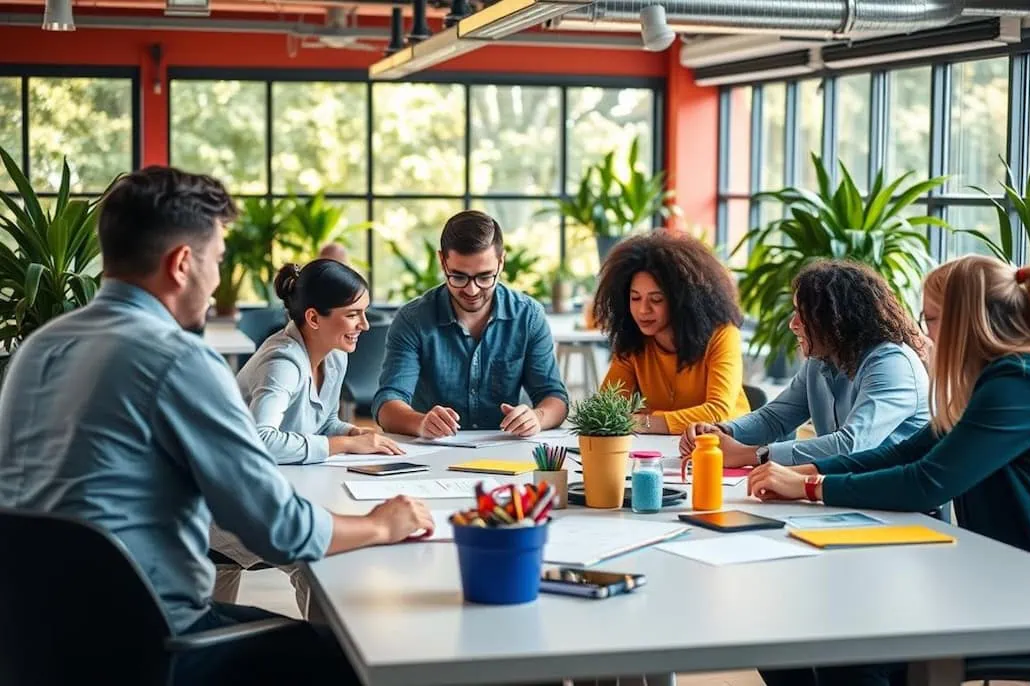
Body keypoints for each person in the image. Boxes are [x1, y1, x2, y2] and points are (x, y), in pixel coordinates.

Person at [0, 167, 434, 686]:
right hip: (155, 644)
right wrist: (382, 524)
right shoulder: (178, 359)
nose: (216, 281)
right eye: (218, 261)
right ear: (183, 263)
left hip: (33, 642)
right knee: (361, 653)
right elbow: (278, 528)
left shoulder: (39, 348)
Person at [747, 256, 1030, 686]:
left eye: (933, 319)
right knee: (803, 621)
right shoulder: (999, 379)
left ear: (966, 321)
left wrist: (811, 487)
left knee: (848, 637)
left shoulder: (1027, 381)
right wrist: (804, 473)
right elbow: (905, 454)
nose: (923, 334)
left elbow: (926, 483)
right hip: (1021, 571)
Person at [210, 259, 406, 613]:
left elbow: (322, 419)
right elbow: (261, 440)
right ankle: (327, 655)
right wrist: (344, 444)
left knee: (212, 614)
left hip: (264, 490)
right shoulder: (282, 362)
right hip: (227, 506)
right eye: (353, 314)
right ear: (314, 318)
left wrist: (352, 432)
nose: (364, 325)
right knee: (318, 556)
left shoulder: (332, 357)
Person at [681, 260, 930, 468]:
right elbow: (774, 419)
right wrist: (721, 433)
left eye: (803, 314)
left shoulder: (891, 364)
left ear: (837, 319)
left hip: (902, 511)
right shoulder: (823, 359)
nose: (793, 324)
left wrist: (751, 455)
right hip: (845, 492)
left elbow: (850, 446)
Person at [373, 210, 568, 438]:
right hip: (433, 451)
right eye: (458, 277)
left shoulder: (528, 316)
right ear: (442, 261)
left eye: (485, 277)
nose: (472, 290)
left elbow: (554, 397)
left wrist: (537, 417)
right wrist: (420, 422)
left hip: (505, 450)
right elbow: (387, 403)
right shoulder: (413, 319)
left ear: (501, 262)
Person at [592, 231, 750, 434]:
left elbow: (718, 412)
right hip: (661, 452)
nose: (643, 310)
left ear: (682, 301)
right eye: (635, 298)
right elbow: (605, 410)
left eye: (656, 299)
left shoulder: (723, 335)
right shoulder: (633, 342)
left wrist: (643, 422)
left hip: (726, 449)